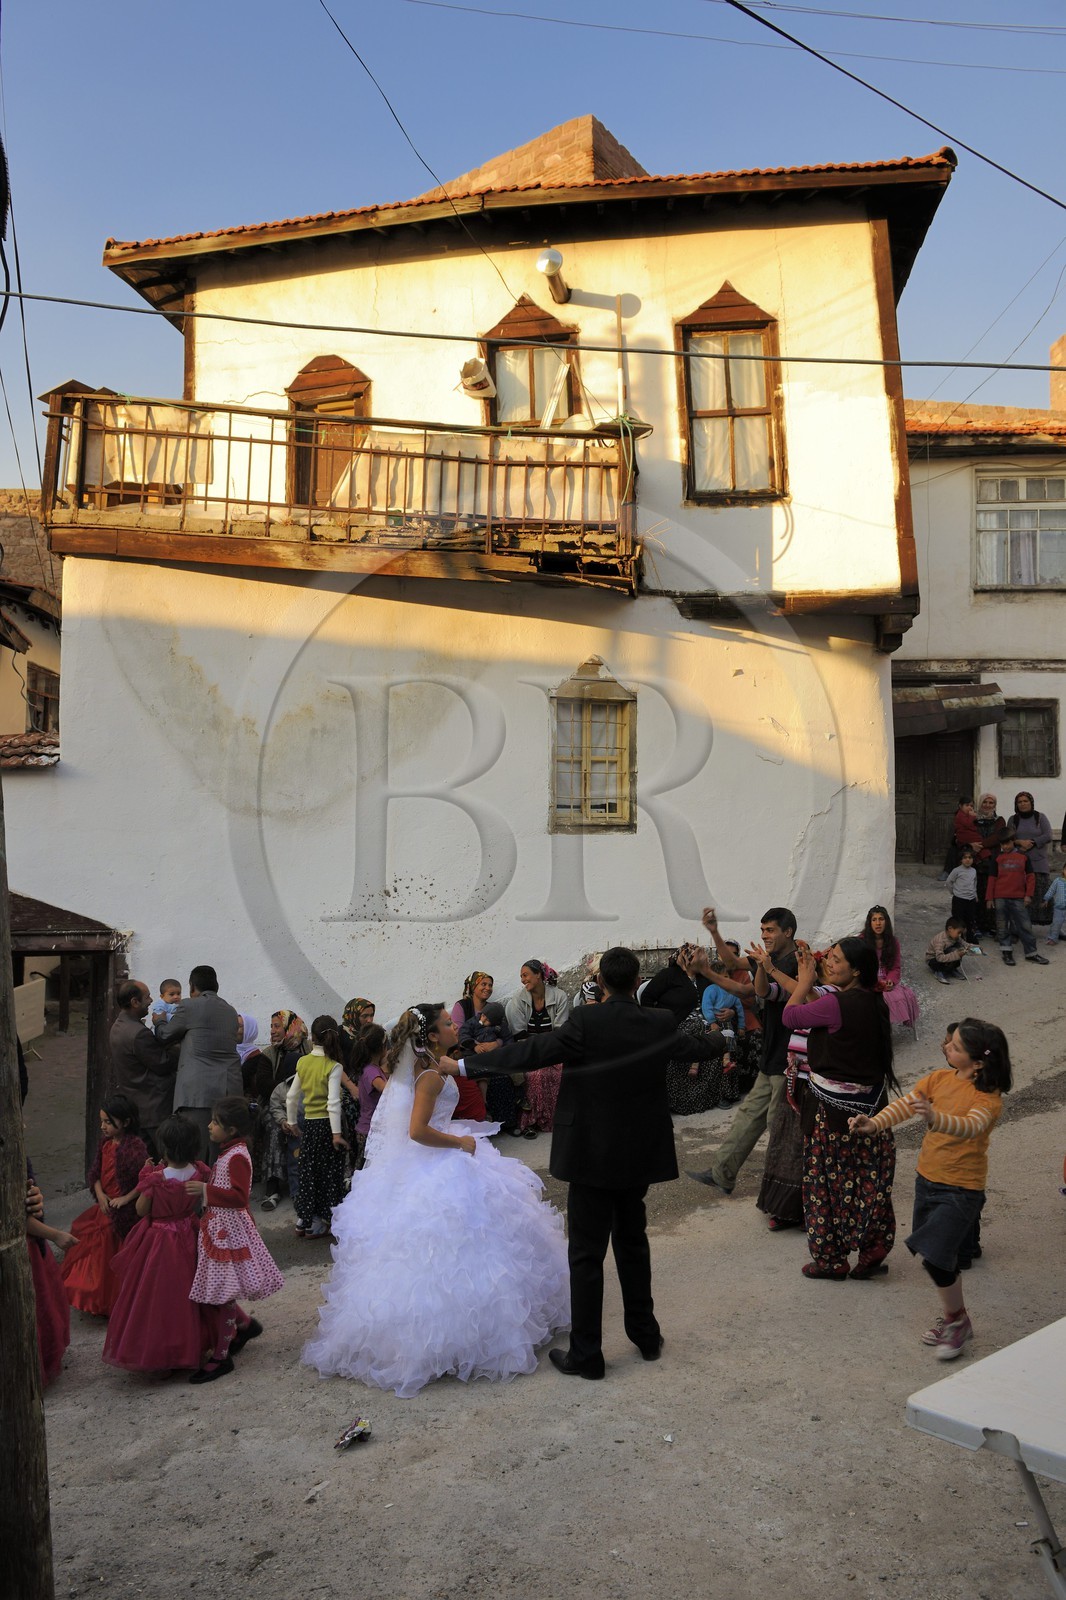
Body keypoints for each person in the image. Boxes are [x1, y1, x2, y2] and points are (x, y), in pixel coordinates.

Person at [474, 949, 725, 1379]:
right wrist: (724, 1036)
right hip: (637, 1153)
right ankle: (645, 1337)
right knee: (633, 1243)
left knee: (587, 1255)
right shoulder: (658, 1022)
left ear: (602, 984)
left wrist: (465, 1063)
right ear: (637, 982)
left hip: (589, 1152)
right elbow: (696, 1046)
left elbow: (534, 1052)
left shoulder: (586, 1022)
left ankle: (587, 1354)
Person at [304, 1004, 570, 1398]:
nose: (454, 1026)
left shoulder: (430, 1065)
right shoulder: (428, 1075)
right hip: (439, 1155)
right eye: (448, 1023)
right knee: (456, 1247)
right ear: (429, 1034)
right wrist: (459, 1142)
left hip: (435, 1155)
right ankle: (456, 1339)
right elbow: (416, 1131)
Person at [849, 1018, 1010, 1360]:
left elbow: (970, 1126)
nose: (945, 1047)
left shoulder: (988, 1097)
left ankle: (957, 1320)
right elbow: (907, 1105)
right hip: (927, 1181)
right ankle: (955, 1317)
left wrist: (936, 1118)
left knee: (935, 1256)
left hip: (962, 1189)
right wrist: (874, 1123)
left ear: (978, 1061)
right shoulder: (938, 1078)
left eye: (954, 1046)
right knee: (939, 1258)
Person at [781, 940, 897, 1280]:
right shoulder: (874, 1001)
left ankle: (831, 1260)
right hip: (873, 1111)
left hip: (831, 1117)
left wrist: (804, 980)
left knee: (825, 1188)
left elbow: (790, 1015)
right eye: (828, 958)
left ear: (856, 970)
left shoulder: (836, 1004)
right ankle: (873, 1248)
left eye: (836, 960)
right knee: (869, 1182)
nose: (829, 963)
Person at [688, 907, 799, 1196]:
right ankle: (722, 1174)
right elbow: (732, 961)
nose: (764, 935)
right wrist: (714, 930)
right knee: (749, 1117)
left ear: (788, 932)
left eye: (770, 930)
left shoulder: (794, 963)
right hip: (772, 1054)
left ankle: (785, 1196)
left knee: (780, 1130)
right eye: (762, 930)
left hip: (790, 1059)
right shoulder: (768, 958)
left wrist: (706, 972)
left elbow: (747, 993)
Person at [102, 1114, 212, 1374]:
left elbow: (141, 1210)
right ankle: (194, 1344)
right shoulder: (200, 1171)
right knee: (190, 1293)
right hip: (189, 1231)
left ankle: (161, 1351)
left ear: (165, 1148)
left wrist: (146, 1180)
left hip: (160, 1241)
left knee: (157, 1297)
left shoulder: (156, 1179)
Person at [186, 1097, 284, 1384]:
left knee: (223, 1294)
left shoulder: (238, 1156)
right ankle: (243, 1326)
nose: (209, 1126)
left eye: (215, 1122)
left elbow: (240, 1197)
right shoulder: (229, 1151)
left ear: (230, 1131)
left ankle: (221, 1355)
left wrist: (206, 1189)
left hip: (229, 1234)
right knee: (220, 1292)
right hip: (220, 1230)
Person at [60, 1095, 148, 1316]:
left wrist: (125, 1199)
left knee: (113, 1253)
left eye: (108, 1122)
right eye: (102, 1121)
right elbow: (95, 1174)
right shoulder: (104, 1145)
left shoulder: (134, 1149)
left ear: (125, 1122)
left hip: (122, 1213)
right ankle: (96, 1297)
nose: (103, 1126)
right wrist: (99, 1194)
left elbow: (145, 1181)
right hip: (104, 1207)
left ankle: (117, 1302)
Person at [156, 966, 242, 1159]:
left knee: (193, 1151)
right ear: (216, 986)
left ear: (192, 987)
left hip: (196, 1094)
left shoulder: (189, 1006)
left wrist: (159, 1021)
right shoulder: (230, 1011)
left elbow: (165, 1036)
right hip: (227, 1091)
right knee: (220, 1153)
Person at [285, 1015, 348, 1238]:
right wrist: (337, 1133)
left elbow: (291, 1097)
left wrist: (292, 1121)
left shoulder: (302, 1062)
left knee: (308, 1171)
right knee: (328, 1174)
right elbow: (333, 1102)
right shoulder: (334, 1066)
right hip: (328, 1127)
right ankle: (321, 1220)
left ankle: (305, 1218)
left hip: (309, 1126)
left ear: (312, 1037)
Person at [108, 979, 178, 1156]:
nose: (151, 1000)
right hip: (153, 1109)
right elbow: (163, 1064)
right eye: (147, 997)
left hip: (137, 1107)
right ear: (134, 1002)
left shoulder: (118, 1026)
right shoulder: (138, 1033)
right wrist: (174, 1038)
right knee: (165, 1161)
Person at [505, 960, 570, 1137]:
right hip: (528, 1050)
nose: (522, 980)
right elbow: (519, 1035)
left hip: (554, 1050)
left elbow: (561, 1032)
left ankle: (554, 1119)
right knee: (535, 1075)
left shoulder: (560, 997)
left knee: (560, 1072)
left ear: (538, 975)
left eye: (525, 975)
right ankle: (531, 1122)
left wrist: (546, 1045)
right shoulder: (518, 1000)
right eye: (521, 977)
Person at [26, 1168, 75, 1386]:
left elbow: (24, 1212)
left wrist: (34, 1196)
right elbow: (17, 1218)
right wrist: (55, 1235)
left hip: (30, 1246)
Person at [986, 832, 1049, 968]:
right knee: (1002, 926)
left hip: (1019, 897)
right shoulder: (997, 857)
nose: (1005, 846)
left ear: (1013, 841)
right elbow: (992, 879)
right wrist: (989, 898)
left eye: (1007, 843)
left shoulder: (1023, 857)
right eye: (1002, 844)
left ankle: (1031, 953)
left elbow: (1031, 877)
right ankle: (1006, 951)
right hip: (1000, 897)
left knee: (1025, 925)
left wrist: (1028, 895)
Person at [860, 907, 919, 1031]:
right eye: (874, 920)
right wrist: (877, 983)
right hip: (867, 981)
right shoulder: (862, 941)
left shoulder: (893, 942)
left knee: (905, 995)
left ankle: (884, 1029)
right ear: (869, 923)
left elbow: (895, 967)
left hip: (886, 980)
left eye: (881, 919)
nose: (878, 923)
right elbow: (860, 968)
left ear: (886, 921)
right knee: (881, 999)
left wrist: (890, 981)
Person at [1010, 791, 1054, 924]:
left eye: (1025, 801)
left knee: (1041, 893)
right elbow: (1009, 837)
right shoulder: (1013, 819)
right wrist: (1019, 842)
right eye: (1020, 802)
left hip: (1038, 861)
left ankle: (1044, 923)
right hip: (1019, 861)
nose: (1023, 804)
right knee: (1020, 893)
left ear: (1031, 802)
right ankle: (1020, 926)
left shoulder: (1040, 817)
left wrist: (1032, 842)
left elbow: (1048, 835)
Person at [638, 946, 709, 1025]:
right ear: (688, 959)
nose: (705, 960)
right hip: (675, 1026)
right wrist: (654, 1021)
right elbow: (647, 997)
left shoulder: (704, 977)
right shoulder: (669, 975)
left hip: (707, 1023)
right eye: (701, 958)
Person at [351, 1028, 389, 1169]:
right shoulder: (371, 1071)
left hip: (368, 1127)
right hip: (370, 1130)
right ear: (382, 1048)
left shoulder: (371, 1068)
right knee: (367, 1169)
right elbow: (384, 1088)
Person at [974, 794, 1009, 933]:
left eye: (991, 802)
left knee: (992, 892)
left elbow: (997, 837)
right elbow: (968, 835)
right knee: (977, 892)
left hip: (993, 861)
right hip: (976, 861)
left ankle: (991, 925)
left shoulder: (999, 820)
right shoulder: (973, 820)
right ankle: (977, 925)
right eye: (985, 802)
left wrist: (979, 845)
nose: (988, 805)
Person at [945, 848, 981, 945]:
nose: (967, 860)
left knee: (970, 919)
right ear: (961, 860)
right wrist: (954, 892)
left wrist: (975, 895)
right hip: (959, 899)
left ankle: (969, 937)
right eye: (965, 858)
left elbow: (974, 883)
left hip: (971, 899)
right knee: (958, 919)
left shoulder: (973, 871)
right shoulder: (956, 871)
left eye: (970, 857)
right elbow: (949, 882)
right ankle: (956, 938)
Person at [926, 918, 971, 984]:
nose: (960, 935)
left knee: (959, 949)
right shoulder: (940, 940)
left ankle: (951, 969)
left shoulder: (955, 936)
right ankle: (939, 972)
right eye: (959, 932)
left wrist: (974, 947)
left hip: (945, 954)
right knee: (955, 952)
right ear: (950, 929)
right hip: (934, 959)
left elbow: (964, 944)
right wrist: (957, 954)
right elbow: (939, 958)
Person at [1043, 862, 1066, 945]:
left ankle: (1060, 933)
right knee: (1056, 923)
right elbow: (1051, 890)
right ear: (1063, 870)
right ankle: (1053, 938)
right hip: (1059, 908)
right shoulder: (1057, 881)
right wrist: (1046, 899)